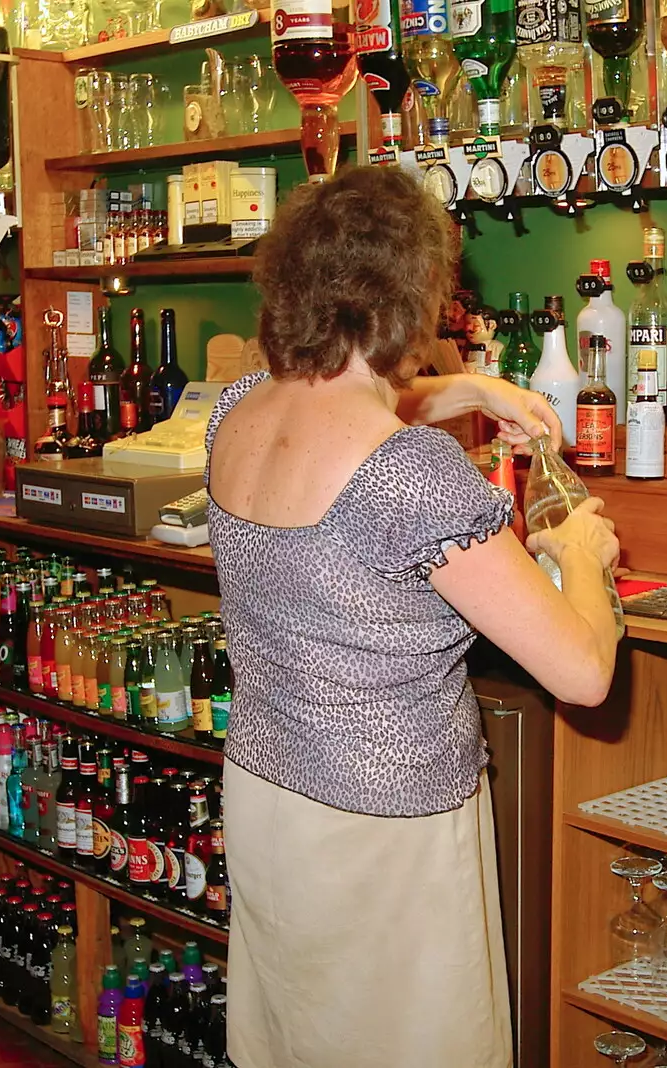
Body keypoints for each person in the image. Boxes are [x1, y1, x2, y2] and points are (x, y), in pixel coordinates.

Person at [205, 166, 621, 1068]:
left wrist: (475, 390)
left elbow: (347, 402)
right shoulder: (412, 473)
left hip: (269, 801)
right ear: (413, 296)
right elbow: (583, 671)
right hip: (382, 832)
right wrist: (581, 556)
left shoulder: (237, 412)